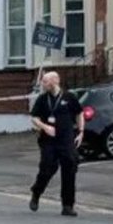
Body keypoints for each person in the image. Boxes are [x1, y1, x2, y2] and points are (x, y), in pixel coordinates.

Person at [29, 71, 84, 216]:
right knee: (48, 167)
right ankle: (36, 191)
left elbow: (79, 113)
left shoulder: (69, 97)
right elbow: (34, 118)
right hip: (48, 141)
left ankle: (67, 205)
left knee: (70, 167)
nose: (43, 84)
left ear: (54, 81)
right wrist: (45, 127)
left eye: (45, 81)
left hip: (66, 139)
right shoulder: (42, 99)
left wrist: (81, 131)